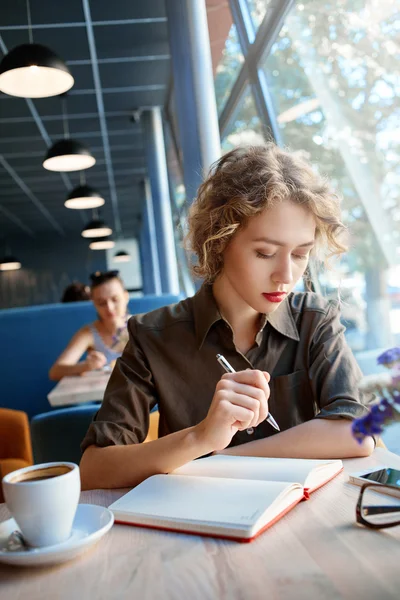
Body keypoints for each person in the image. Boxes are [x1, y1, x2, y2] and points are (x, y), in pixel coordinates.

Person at [80, 144, 375, 491]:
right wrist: (202, 437)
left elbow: (359, 432)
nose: (285, 275)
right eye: (265, 253)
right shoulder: (151, 335)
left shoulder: (316, 320)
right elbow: (93, 470)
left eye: (300, 254)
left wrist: (221, 459)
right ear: (218, 242)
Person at [49, 270, 130, 381]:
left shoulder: (142, 325)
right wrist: (86, 366)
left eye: (115, 299)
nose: (109, 308)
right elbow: (55, 372)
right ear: (94, 304)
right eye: (101, 303)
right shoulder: (88, 333)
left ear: (126, 297)